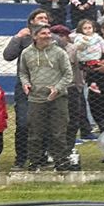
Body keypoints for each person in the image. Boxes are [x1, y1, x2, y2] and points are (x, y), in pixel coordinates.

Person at [17, 23, 75, 170]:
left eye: (49, 33)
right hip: (35, 99)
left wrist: (57, 88)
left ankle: (61, 162)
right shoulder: (26, 53)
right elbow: (23, 72)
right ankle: (35, 162)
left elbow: (68, 75)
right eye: (43, 33)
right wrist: (26, 83)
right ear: (34, 36)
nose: (48, 36)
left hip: (58, 98)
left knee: (58, 132)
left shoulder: (59, 52)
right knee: (35, 133)